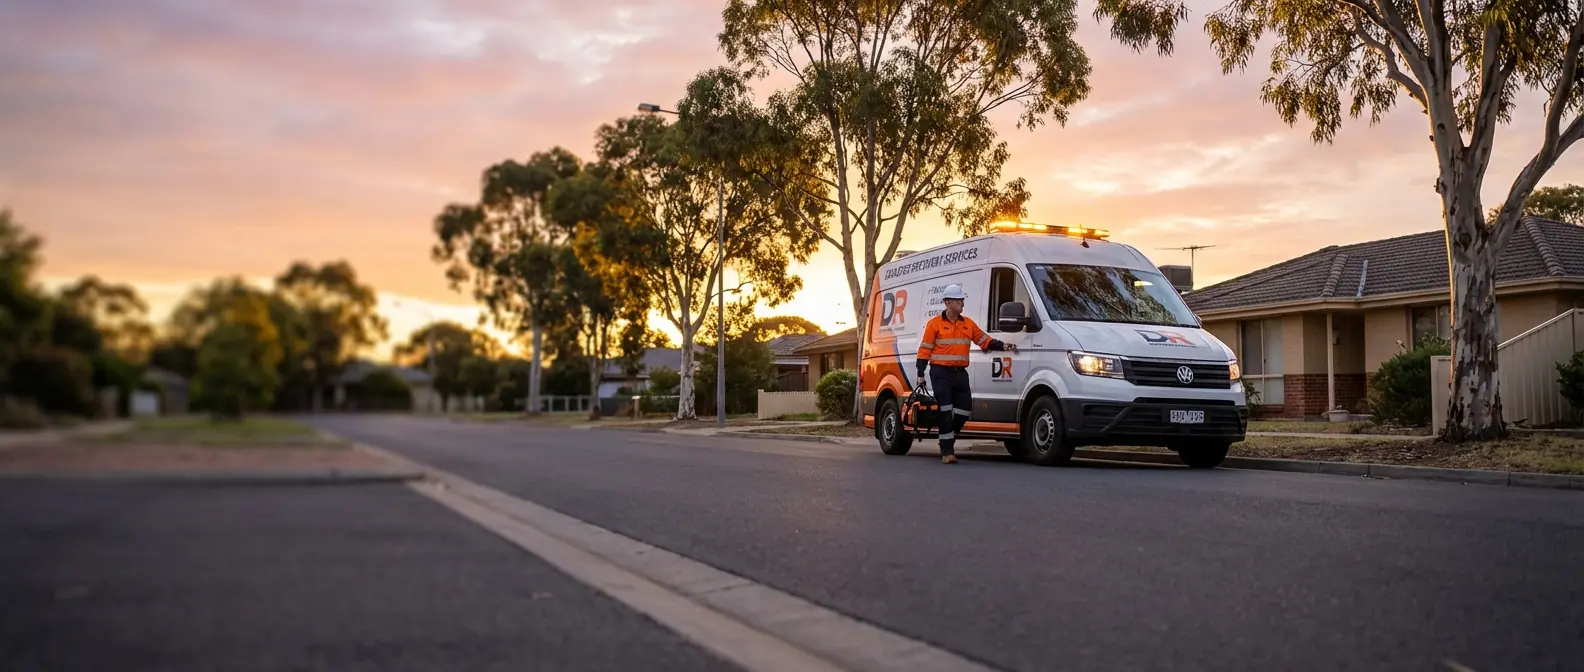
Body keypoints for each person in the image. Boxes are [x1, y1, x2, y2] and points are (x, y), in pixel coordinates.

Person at [915, 283, 1017, 464]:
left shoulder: (967, 324)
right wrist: (920, 372)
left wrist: (1003, 345)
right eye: (958, 300)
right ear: (947, 302)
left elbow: (984, 340)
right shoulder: (935, 324)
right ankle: (947, 451)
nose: (962, 303)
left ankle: (947, 437)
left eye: (962, 300)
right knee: (945, 410)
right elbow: (925, 349)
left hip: (960, 373)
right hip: (940, 373)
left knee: (964, 410)